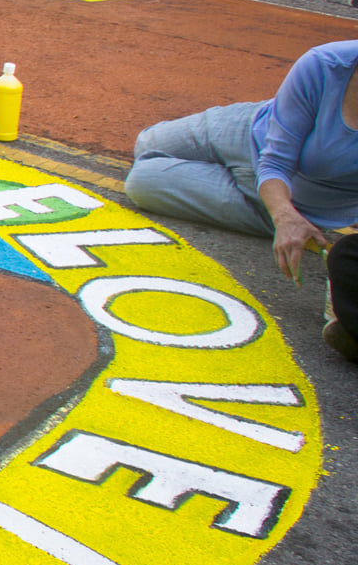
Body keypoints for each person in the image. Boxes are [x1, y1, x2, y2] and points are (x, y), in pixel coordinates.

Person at [125, 40, 358, 359]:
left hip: (299, 204)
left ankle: (232, 185)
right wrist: (283, 216)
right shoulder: (326, 63)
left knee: (142, 181)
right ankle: (229, 175)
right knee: (146, 142)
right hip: (253, 130)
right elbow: (276, 160)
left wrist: (288, 217)